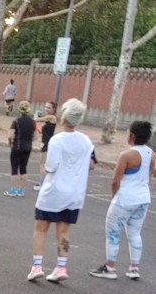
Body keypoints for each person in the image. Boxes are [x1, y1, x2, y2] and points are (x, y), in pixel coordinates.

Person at [28, 98, 96, 283]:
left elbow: (50, 166)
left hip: (54, 191)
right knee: (64, 230)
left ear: (64, 117)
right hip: (74, 193)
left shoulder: (57, 140)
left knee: (41, 227)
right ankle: (61, 266)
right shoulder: (86, 141)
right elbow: (91, 164)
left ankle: (36, 266)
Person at [90, 121, 154, 280]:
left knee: (112, 232)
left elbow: (115, 180)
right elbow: (150, 174)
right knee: (134, 232)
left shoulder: (126, 155)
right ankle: (134, 267)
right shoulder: (151, 154)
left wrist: (114, 195)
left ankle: (110, 266)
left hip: (125, 198)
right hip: (143, 198)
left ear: (132, 136)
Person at [5, 101, 36, 196]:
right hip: (28, 147)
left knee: (14, 168)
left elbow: (10, 135)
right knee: (23, 168)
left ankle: (13, 190)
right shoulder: (32, 122)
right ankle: (21, 190)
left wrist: (10, 143)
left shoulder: (16, 121)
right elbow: (36, 136)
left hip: (17, 146)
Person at [33, 101, 58, 191]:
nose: (46, 109)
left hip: (47, 143)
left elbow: (36, 119)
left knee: (42, 164)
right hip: (45, 142)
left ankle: (43, 183)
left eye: (49, 108)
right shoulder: (47, 120)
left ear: (54, 109)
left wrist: (36, 115)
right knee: (44, 163)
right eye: (46, 107)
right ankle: (45, 182)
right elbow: (42, 131)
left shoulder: (51, 117)